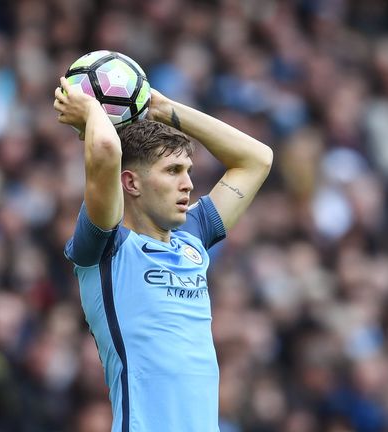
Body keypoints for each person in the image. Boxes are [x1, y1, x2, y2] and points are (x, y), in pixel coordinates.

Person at [53, 75, 273, 431]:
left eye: (188, 171)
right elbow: (107, 151)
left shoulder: (192, 240)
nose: (187, 183)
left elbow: (257, 159)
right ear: (131, 183)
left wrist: (163, 108)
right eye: (172, 171)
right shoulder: (106, 247)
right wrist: (94, 108)